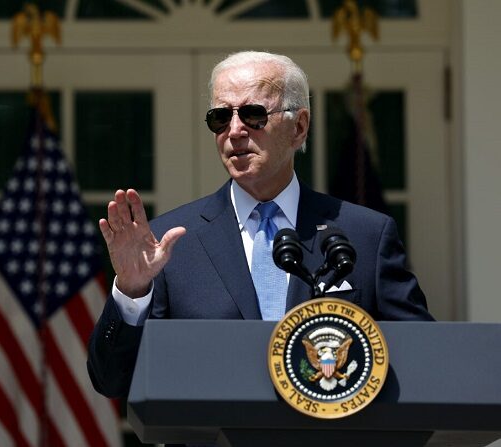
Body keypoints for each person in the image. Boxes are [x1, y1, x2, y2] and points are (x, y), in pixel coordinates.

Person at [87, 51, 433, 399]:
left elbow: (424, 362)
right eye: (220, 118)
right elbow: (112, 381)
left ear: (299, 127)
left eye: (253, 115)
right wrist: (131, 292)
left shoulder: (365, 235)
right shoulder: (170, 243)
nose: (234, 130)